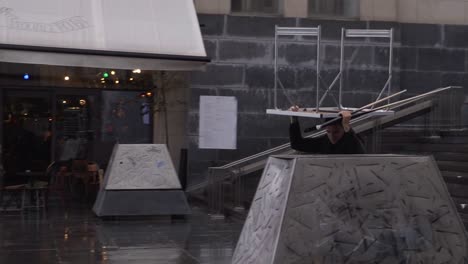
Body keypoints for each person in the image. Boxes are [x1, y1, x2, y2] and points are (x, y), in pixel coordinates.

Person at [289, 106, 365, 154]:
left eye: (336, 132)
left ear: (343, 129)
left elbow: (359, 150)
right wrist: (294, 118)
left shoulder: (352, 141)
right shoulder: (324, 142)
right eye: (328, 131)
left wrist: (346, 125)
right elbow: (297, 144)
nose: (332, 136)